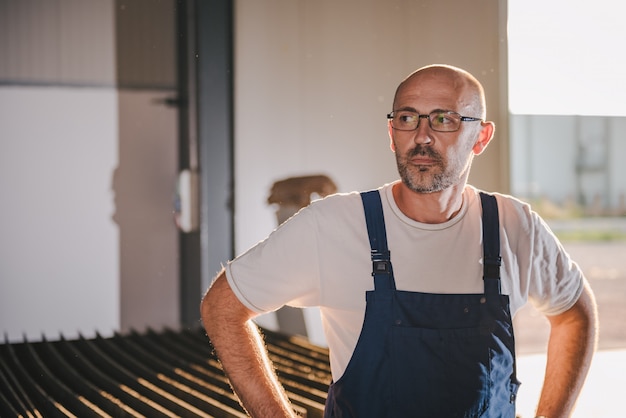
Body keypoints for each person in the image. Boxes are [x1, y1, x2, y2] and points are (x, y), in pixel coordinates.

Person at [201, 64, 598, 418]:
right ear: (392, 134)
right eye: (408, 118)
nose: (422, 137)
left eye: (443, 119)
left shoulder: (514, 227)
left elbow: (575, 312)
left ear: (481, 136)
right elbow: (223, 307)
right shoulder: (334, 226)